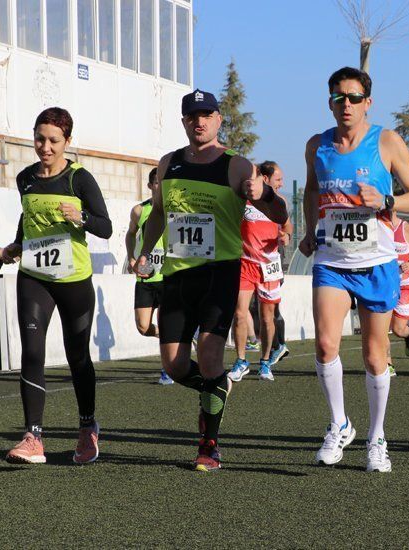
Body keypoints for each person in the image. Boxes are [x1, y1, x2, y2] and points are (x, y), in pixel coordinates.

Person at [134, 89, 287, 472]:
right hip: (177, 274)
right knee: (172, 364)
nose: (198, 122)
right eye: (191, 116)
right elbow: (158, 215)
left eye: (206, 115)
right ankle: (216, 386)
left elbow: (280, 212)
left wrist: (264, 192)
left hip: (220, 273)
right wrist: (144, 251)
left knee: (209, 354)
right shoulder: (169, 163)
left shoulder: (236, 166)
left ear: (219, 119)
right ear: (183, 121)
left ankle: (209, 444)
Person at [299, 67, 409, 472]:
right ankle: (339, 423)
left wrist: (386, 200)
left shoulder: (386, 142)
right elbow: (312, 191)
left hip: (377, 261)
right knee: (325, 345)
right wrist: (308, 230)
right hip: (332, 261)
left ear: (368, 102)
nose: (346, 105)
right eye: (339, 98)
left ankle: (377, 437)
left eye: (354, 98)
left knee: (375, 355)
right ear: (330, 102)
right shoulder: (317, 146)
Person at [0, 107, 113, 465]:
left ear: (67, 141)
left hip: (73, 280)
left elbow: (106, 227)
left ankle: (87, 427)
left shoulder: (79, 179)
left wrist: (81, 217)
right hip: (34, 277)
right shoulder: (24, 179)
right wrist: (17, 245)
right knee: (32, 352)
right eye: (39, 138)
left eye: (53, 140)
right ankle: (33, 437)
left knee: (76, 356)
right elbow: (26, 218)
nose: (45, 147)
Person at [228, 160, 293, 382]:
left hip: (269, 266)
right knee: (239, 313)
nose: (281, 184)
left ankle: (265, 362)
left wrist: (286, 236)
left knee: (267, 318)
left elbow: (287, 227)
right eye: (278, 179)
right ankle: (241, 360)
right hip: (245, 263)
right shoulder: (242, 201)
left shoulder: (280, 201)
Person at [125, 168, 173, 386]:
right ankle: (174, 336)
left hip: (167, 277)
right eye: (156, 183)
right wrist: (131, 257)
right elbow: (131, 234)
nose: (160, 187)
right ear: (150, 185)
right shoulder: (139, 211)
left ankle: (167, 369)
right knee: (143, 327)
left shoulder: (174, 211)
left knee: (164, 320)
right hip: (145, 277)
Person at [387, 211, 409, 376]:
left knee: (398, 329)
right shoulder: (376, 227)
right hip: (383, 286)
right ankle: (388, 365)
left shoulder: (407, 228)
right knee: (380, 330)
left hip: (404, 286)